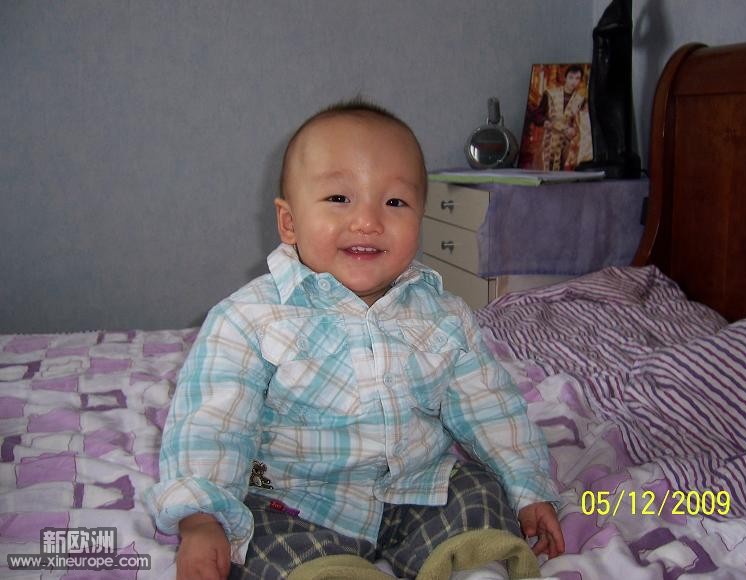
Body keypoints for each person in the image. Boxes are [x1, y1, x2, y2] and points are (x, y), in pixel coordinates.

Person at [144, 99, 565, 580]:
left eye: (395, 202)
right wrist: (202, 520)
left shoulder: (444, 315)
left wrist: (529, 487)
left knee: (475, 489)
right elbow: (211, 424)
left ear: (420, 219)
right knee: (254, 532)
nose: (368, 220)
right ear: (289, 222)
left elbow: (491, 407)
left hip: (415, 489)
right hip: (295, 501)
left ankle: (473, 565)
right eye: (339, 198)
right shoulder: (248, 319)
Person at [530, 65, 591, 171]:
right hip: (548, 140)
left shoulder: (581, 100)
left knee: (562, 171)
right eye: (571, 77)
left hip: (566, 145)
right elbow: (537, 115)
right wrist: (545, 122)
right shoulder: (550, 93)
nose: (573, 82)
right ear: (565, 78)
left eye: (577, 78)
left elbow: (582, 124)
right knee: (544, 170)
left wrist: (574, 131)